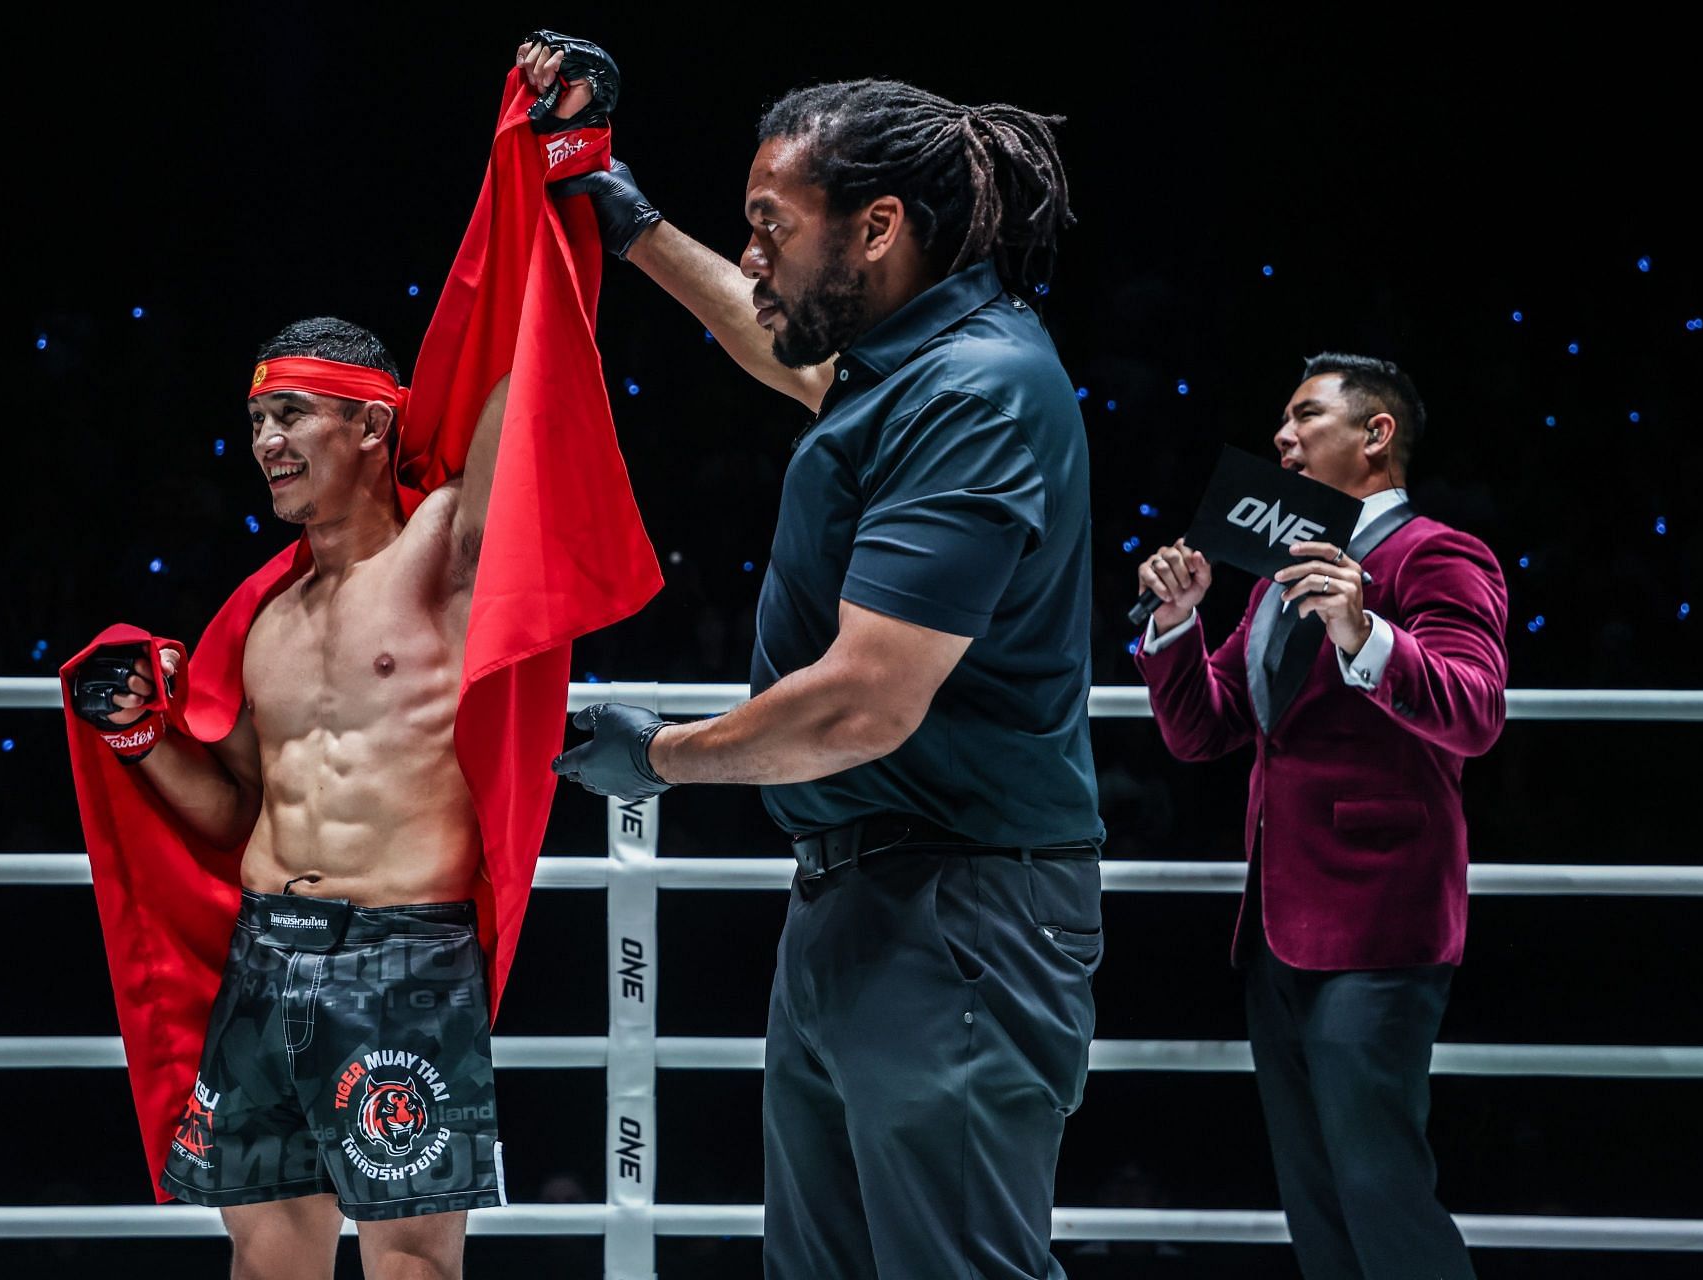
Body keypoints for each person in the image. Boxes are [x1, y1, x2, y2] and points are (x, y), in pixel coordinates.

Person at [63, 37, 643, 1280]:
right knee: (264, 1251)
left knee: (414, 1263)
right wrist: (142, 740)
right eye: (256, 419)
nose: (265, 440)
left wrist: (540, 159)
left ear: (370, 422)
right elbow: (229, 808)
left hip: (405, 954)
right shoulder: (257, 617)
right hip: (267, 944)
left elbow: (516, 367)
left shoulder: (444, 551)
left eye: (291, 414)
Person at [554, 81, 1104, 1280]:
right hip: (864, 894)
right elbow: (778, 344)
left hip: (958, 904)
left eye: (769, 225)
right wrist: (633, 223)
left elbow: (866, 699)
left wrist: (658, 757)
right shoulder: (904, 365)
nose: (752, 256)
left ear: (877, 227)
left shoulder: (976, 389)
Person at [1133, 354, 1506, 1280]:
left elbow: (1474, 711)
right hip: (1274, 924)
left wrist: (1366, 635)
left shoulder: (1436, 553)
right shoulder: (1274, 572)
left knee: (1381, 1190)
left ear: (1374, 435)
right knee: (1318, 1203)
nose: (1282, 437)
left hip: (1383, 922)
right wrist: (1177, 623)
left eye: (1306, 417)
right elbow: (1203, 730)